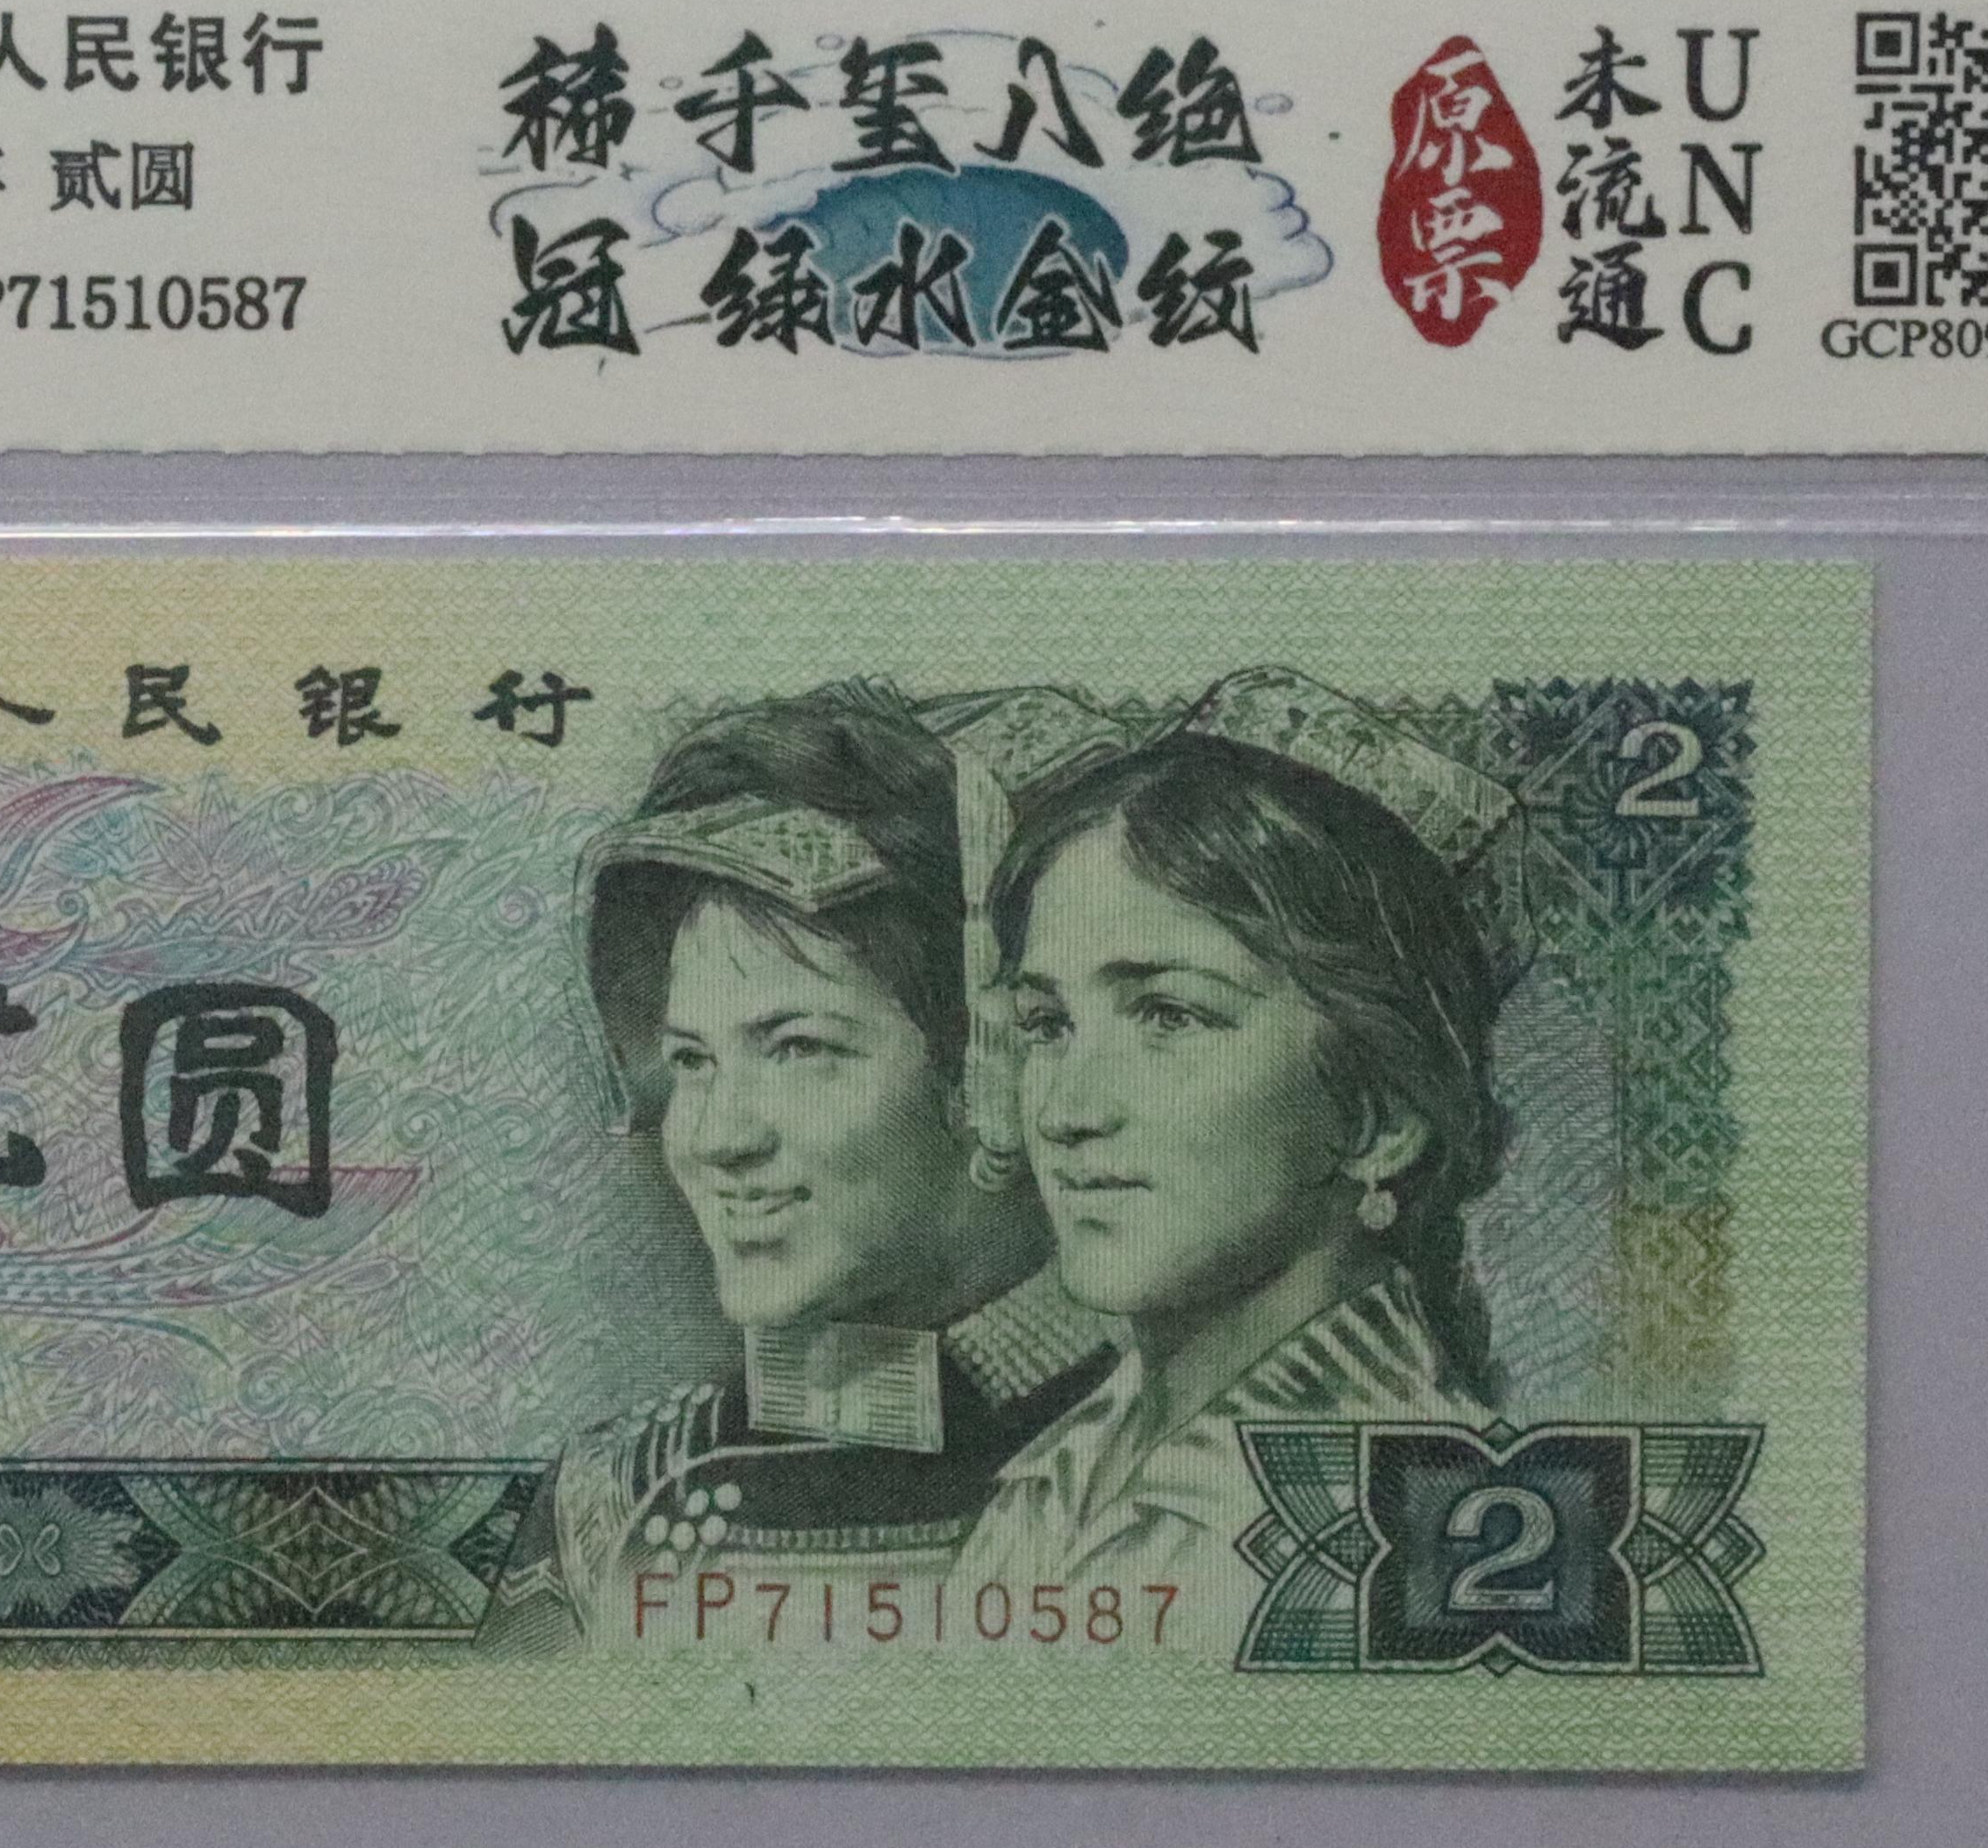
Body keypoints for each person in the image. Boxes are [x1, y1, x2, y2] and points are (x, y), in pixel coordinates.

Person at [495, 680, 1126, 1651]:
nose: (718, 1138)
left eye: (796, 1048)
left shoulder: (1187, 1451)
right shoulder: (617, 1498)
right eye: (692, 1062)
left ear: (990, 1067)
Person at [953, 669, 1519, 1637]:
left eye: (1168, 1015)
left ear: (1380, 1116)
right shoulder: (1055, 1477)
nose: (1065, 1113)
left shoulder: (1419, 1527)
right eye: (1048, 1025)